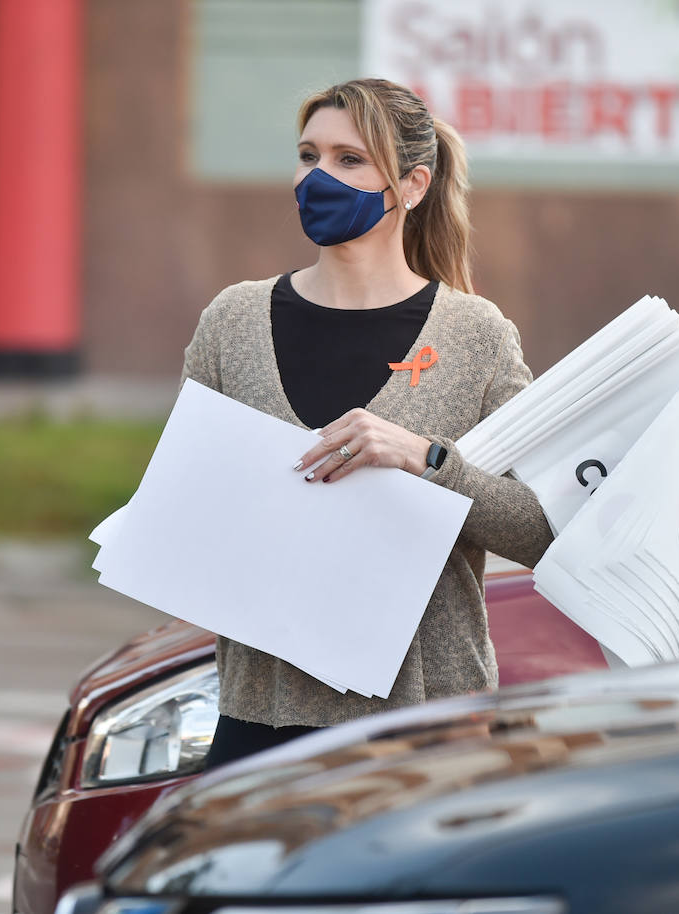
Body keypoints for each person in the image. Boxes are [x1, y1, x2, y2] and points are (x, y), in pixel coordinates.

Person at [183, 78, 554, 769]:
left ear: (413, 185)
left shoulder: (476, 336)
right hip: (261, 719)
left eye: (348, 160)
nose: (317, 177)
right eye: (308, 156)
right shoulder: (233, 322)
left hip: (427, 728)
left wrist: (426, 461)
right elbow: (187, 509)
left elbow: (541, 531)